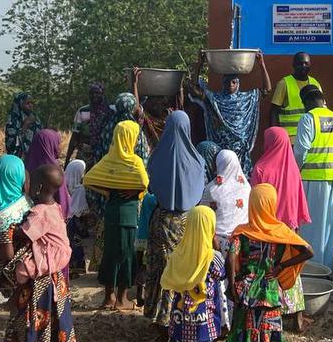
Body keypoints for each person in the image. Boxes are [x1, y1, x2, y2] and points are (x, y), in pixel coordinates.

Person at [212, 184, 312, 342]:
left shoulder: (242, 232)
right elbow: (308, 251)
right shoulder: (280, 232)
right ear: (271, 203)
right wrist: (280, 268)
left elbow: (231, 257)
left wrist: (234, 286)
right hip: (268, 297)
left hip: (245, 296)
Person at [0, 163, 80, 342]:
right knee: (25, 331)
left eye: (30, 181)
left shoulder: (39, 214)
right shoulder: (55, 208)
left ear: (40, 186)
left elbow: (21, 237)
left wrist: (4, 230)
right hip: (51, 282)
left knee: (34, 335)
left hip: (40, 286)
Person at [152, 204, 226, 342]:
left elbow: (170, 280)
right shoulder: (213, 258)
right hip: (203, 324)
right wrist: (214, 243)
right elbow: (221, 275)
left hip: (179, 320)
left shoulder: (178, 254)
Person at [138, 110, 205, 329]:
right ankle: (179, 316)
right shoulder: (197, 160)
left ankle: (157, 315)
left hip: (162, 220)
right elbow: (199, 191)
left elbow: (151, 186)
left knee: (160, 268)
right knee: (182, 268)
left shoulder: (157, 156)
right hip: (187, 222)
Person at [84, 120, 150, 311]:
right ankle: (122, 299)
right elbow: (144, 184)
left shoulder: (108, 159)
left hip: (111, 211)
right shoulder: (134, 161)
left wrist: (109, 190)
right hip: (128, 214)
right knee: (126, 255)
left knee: (110, 254)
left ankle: (108, 297)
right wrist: (134, 191)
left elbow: (88, 179)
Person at [252, 126, 310, 322]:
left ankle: (272, 306)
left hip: (268, 229)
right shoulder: (293, 169)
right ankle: (296, 311)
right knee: (289, 264)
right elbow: (298, 200)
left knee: (270, 267)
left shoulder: (260, 168)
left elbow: (256, 200)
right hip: (289, 229)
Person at [294, 85, 333, 271]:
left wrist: (297, 171)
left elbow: (301, 151)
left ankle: (310, 270)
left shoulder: (308, 118)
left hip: (312, 180)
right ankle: (326, 269)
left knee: (310, 228)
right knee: (328, 228)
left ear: (307, 103)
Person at [189, 49, 271, 175]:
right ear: (222, 83)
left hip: (240, 152)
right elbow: (194, 88)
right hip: (220, 152)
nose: (230, 85)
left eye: (234, 82)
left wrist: (262, 64)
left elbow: (267, 89)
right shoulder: (215, 99)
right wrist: (200, 63)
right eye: (227, 82)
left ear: (238, 84)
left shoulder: (247, 98)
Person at [202, 149, 252, 251]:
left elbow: (203, 213)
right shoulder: (246, 186)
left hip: (217, 243)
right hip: (242, 241)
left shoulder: (211, 189)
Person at [272, 51, 322, 140]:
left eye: (306, 63)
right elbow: (274, 111)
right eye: (300, 64)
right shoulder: (284, 83)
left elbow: (322, 110)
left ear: (310, 65)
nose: (303, 66)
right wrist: (275, 135)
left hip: (311, 135)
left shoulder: (315, 83)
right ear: (294, 65)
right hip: (290, 137)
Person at [23, 129, 70, 218]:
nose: (59, 147)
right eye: (58, 143)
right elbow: (64, 204)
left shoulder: (24, 168)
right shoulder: (53, 171)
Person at [65, 83, 109, 168]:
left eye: (97, 93)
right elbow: (75, 135)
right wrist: (67, 159)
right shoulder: (82, 111)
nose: (94, 95)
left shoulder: (109, 112)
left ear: (102, 94)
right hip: (85, 151)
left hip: (104, 152)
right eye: (91, 93)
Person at [5, 92, 41, 158]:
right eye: (27, 103)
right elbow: (11, 144)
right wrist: (25, 124)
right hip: (18, 158)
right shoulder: (13, 120)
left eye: (32, 103)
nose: (31, 105)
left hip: (34, 158)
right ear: (20, 104)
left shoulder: (35, 118)